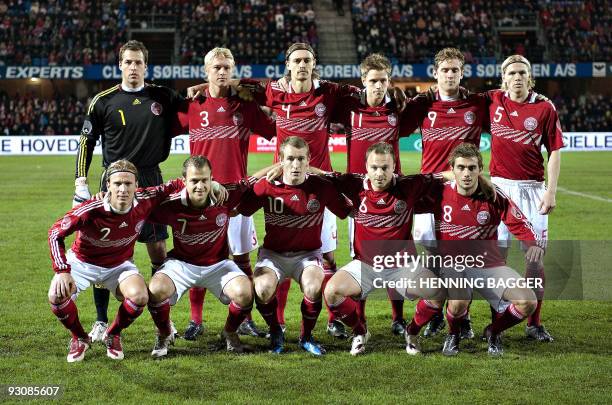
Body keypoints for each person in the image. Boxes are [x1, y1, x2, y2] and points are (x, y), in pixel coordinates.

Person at [74, 40, 183, 342]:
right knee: (101, 252)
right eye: (128, 62)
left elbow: (194, 102)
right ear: (120, 65)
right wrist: (80, 182)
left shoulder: (161, 95)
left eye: (139, 62)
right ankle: (99, 321)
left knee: (158, 248)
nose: (133, 67)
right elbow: (86, 141)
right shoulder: (103, 101)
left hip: (150, 179)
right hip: (114, 181)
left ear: (146, 66)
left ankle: (164, 320)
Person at [176, 47, 276, 340]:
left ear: (233, 72)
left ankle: (243, 318)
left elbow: (275, 131)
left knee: (243, 257)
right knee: (197, 259)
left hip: (236, 197)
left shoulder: (244, 106)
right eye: (216, 67)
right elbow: (159, 126)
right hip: (200, 197)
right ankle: (196, 320)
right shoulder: (192, 105)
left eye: (227, 68)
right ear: (206, 71)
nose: (222, 72)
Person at [321, 142, 456, 356]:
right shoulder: (355, 184)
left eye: (385, 167)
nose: (379, 173)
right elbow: (324, 177)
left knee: (437, 293)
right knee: (331, 292)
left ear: (394, 166)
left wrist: (471, 178)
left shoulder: (409, 185)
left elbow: (442, 176)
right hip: (366, 264)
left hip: (402, 266)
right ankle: (360, 331)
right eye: (374, 167)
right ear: (366, 166)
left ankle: (411, 333)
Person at [331, 53, 431, 337]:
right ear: (363, 81)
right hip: (359, 194)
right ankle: (359, 322)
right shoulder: (349, 106)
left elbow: (427, 106)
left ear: (389, 81)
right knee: (361, 256)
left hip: (394, 192)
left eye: (383, 81)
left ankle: (397, 318)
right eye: (373, 81)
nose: (378, 86)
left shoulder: (398, 108)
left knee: (394, 254)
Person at [415, 143, 543, 356]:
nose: (466, 173)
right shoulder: (438, 193)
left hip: (489, 266)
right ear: (452, 170)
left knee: (528, 301)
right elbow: (408, 197)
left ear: (480, 169)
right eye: (461, 168)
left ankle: (493, 331)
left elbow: (519, 221)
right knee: (457, 302)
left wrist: (532, 243)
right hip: (453, 266)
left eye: (472, 168)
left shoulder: (492, 194)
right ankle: (453, 334)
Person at [48, 160, 182, 362]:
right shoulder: (91, 208)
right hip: (83, 262)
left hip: (119, 265)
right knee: (56, 296)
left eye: (128, 184)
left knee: (139, 297)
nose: (123, 189)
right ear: (107, 185)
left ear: (137, 185)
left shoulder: (146, 198)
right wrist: (62, 270)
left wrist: (214, 185)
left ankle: (113, 334)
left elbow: (177, 184)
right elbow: (54, 233)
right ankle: (80, 338)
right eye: (117, 183)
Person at [146, 156, 274, 357]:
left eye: (205, 180)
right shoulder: (172, 205)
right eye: (194, 181)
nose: (200, 186)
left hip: (218, 264)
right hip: (182, 264)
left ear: (212, 179)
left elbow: (253, 180)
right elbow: (139, 204)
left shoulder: (224, 196)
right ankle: (164, 334)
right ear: (184, 181)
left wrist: (283, 164)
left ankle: (229, 333)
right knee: (155, 290)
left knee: (245, 293)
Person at [238, 136, 351, 356]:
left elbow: (347, 210)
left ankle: (306, 336)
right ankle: (275, 331)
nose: (296, 165)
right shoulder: (267, 186)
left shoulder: (321, 187)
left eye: (301, 159)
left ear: (309, 160)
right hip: (273, 255)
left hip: (307, 256)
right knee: (261, 288)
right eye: (290, 159)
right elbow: (239, 207)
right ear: (281, 160)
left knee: (313, 287)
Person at [488, 54, 564, 342]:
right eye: (512, 73)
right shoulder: (493, 101)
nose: (517, 77)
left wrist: (551, 190)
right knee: (498, 258)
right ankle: (500, 319)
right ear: (504, 78)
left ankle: (534, 322)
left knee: (534, 260)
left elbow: (555, 150)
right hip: (499, 190)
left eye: (522, 73)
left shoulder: (545, 107)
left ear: (529, 77)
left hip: (532, 190)